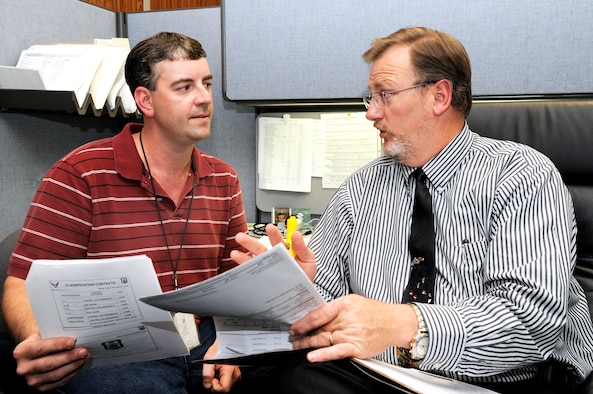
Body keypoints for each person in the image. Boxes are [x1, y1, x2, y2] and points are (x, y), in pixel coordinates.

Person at [231, 27, 593, 393]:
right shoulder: (361, 188)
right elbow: (332, 314)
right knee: (283, 378)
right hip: (381, 375)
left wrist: (405, 323)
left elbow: (532, 324)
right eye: (369, 97)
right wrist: (295, 292)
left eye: (385, 95)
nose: (371, 113)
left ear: (439, 96)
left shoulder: (520, 176)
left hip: (499, 381)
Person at [2, 32, 249, 393]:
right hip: (124, 348)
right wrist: (36, 339)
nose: (204, 98)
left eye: (206, 83)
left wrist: (235, 345)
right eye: (184, 87)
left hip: (203, 336)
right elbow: (21, 282)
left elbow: (235, 285)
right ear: (145, 100)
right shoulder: (80, 174)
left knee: (301, 360)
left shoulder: (224, 178)